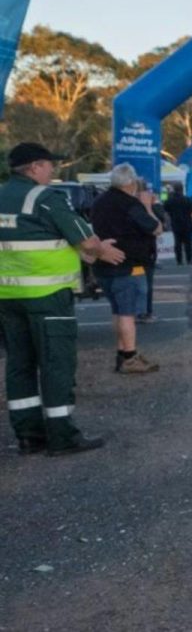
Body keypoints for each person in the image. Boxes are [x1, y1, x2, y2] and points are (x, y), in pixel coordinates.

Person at [0, 142, 126, 456]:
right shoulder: (46, 198)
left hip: (7, 295)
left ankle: (29, 435)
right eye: (48, 165)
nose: (52, 170)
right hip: (47, 295)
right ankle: (62, 434)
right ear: (33, 168)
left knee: (19, 364)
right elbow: (84, 239)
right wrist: (103, 250)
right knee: (56, 363)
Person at [90, 164, 163, 374]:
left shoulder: (99, 202)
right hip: (129, 264)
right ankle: (130, 356)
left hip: (105, 264)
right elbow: (156, 228)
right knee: (128, 313)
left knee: (119, 310)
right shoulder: (131, 204)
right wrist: (147, 205)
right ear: (131, 183)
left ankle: (122, 354)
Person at [137, 181, 168, 324]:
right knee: (146, 283)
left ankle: (139, 312)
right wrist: (151, 206)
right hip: (144, 252)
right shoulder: (143, 207)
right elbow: (159, 225)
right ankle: (145, 312)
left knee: (136, 283)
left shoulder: (125, 206)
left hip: (136, 252)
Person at [163, 183, 192, 266]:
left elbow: (165, 213)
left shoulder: (169, 200)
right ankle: (189, 260)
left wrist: (166, 223)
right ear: (182, 189)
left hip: (175, 224)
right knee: (188, 243)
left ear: (174, 189)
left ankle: (179, 260)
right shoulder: (187, 199)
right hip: (187, 224)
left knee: (177, 243)